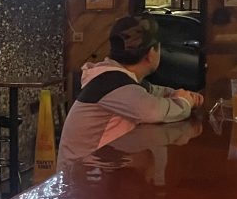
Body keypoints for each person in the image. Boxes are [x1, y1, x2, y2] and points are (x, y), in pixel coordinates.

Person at [57, 15, 203, 169]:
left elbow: (155, 92)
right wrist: (184, 102)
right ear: (151, 54)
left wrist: (182, 95)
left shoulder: (120, 79)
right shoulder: (112, 83)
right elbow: (152, 112)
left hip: (96, 166)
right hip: (80, 175)